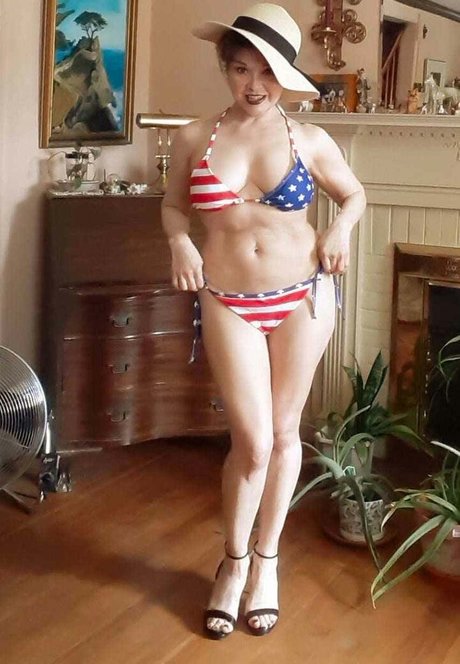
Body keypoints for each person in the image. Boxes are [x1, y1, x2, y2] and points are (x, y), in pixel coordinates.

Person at [161, 3, 366, 640]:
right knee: (251, 442)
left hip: (303, 294)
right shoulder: (194, 137)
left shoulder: (310, 139)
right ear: (225, 68)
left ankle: (266, 564)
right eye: (241, 69)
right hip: (227, 298)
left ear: (286, 76)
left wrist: (340, 229)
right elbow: (172, 207)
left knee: (282, 432)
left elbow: (354, 194)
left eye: (269, 72)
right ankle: (233, 560)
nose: (254, 84)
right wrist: (180, 242)